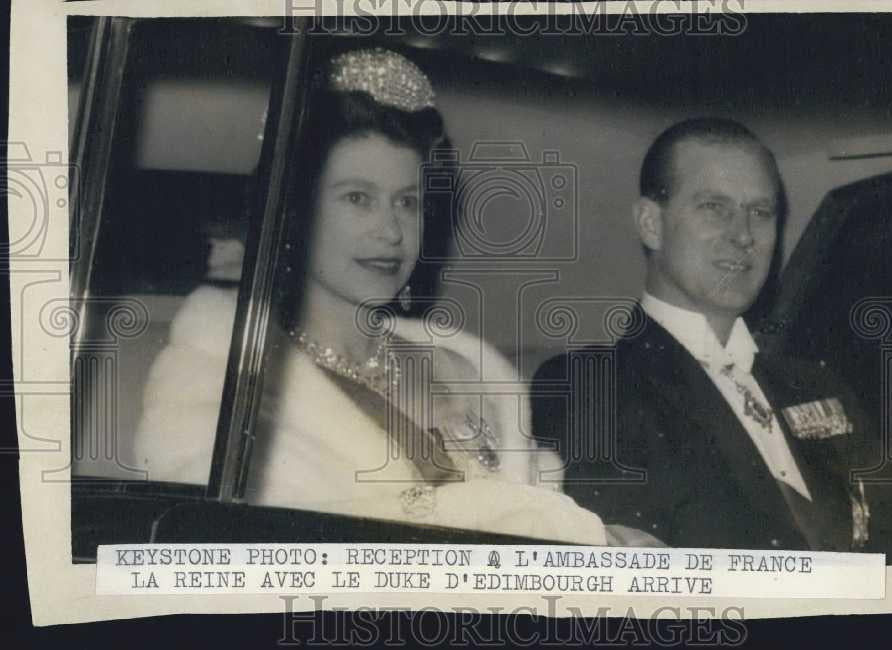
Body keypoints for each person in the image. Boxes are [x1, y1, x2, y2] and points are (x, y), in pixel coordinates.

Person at [133, 48, 606, 545]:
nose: (390, 231)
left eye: (407, 202)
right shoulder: (218, 378)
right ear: (295, 211)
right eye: (357, 198)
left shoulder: (463, 369)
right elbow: (239, 549)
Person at [532, 118, 871, 551]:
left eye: (760, 212)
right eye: (714, 207)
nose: (744, 235)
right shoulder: (590, 385)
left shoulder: (818, 385)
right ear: (651, 224)